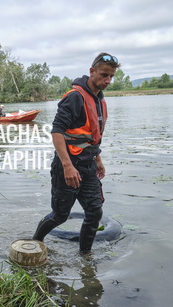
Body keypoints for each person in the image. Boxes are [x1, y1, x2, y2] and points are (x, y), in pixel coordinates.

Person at [32, 53, 120, 255]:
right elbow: (57, 132)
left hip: (88, 166)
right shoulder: (75, 97)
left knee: (94, 212)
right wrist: (67, 166)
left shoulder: (99, 100)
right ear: (92, 71)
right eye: (104, 75)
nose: (107, 81)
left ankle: (85, 258)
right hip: (68, 166)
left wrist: (98, 159)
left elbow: (91, 137)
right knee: (60, 216)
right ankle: (35, 242)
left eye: (111, 76)